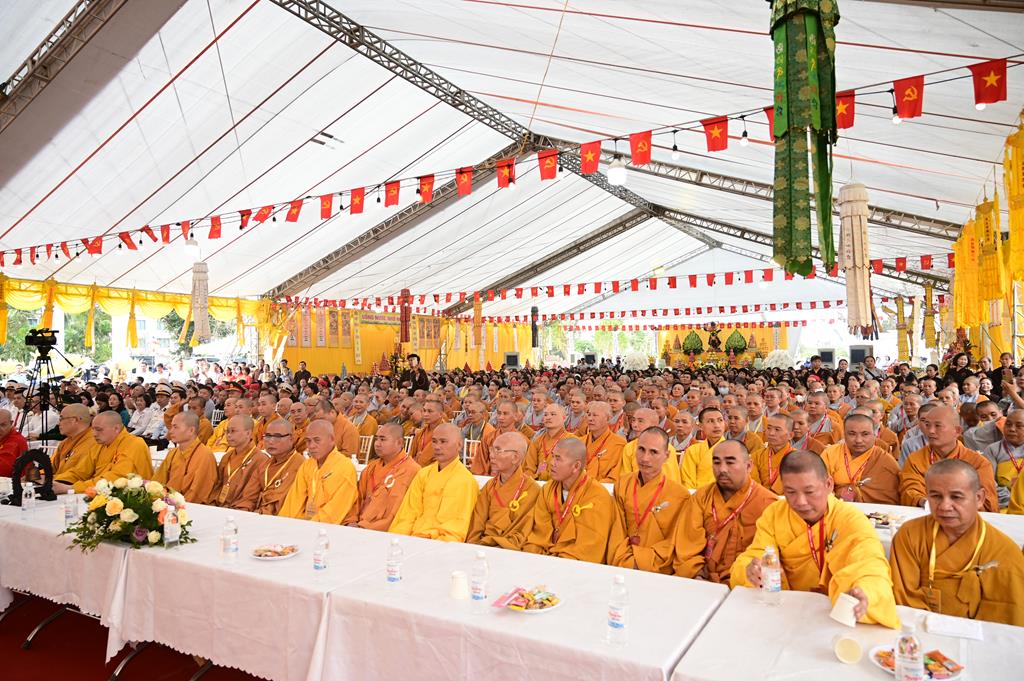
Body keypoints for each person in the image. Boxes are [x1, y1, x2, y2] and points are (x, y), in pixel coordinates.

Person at [731, 451, 900, 628]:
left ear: (828, 484)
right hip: (786, 611)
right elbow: (758, 553)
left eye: (809, 491)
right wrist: (751, 569)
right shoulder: (775, 514)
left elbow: (869, 563)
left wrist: (866, 592)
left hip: (834, 614)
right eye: (790, 492)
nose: (800, 501)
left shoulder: (850, 519)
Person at [890, 459, 1024, 626]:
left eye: (956, 497)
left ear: (979, 498)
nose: (945, 506)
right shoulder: (910, 535)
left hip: (979, 640)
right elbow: (904, 600)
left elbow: (1006, 616)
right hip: (922, 632)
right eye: (936, 496)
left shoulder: (1005, 552)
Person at [673, 439, 777, 584]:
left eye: (730, 462)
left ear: (748, 466)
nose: (722, 469)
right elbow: (686, 546)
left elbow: (764, 557)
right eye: (716, 462)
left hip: (743, 585)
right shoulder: (701, 497)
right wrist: (697, 575)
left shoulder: (767, 503)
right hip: (701, 581)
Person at [522, 437, 624, 562]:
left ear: (576, 466)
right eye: (553, 456)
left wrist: (557, 561)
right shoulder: (547, 490)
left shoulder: (597, 496)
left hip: (574, 563)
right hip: (545, 558)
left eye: (558, 459)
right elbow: (539, 534)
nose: (551, 463)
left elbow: (589, 547)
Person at [608, 428, 688, 574]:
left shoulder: (679, 495)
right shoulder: (622, 484)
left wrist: (641, 561)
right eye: (641, 449)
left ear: (667, 456)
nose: (645, 458)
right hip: (622, 561)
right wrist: (625, 559)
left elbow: (674, 542)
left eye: (653, 452)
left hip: (656, 567)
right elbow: (615, 530)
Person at [389, 423, 479, 541]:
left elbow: (455, 528)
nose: (437, 447)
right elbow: (407, 513)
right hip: (411, 538)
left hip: (439, 544)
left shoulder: (465, 481)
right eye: (434, 441)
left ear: (459, 445)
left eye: (443, 441)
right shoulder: (423, 474)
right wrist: (397, 539)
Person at [899, 406, 998, 512]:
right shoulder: (915, 459)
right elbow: (910, 489)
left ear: (957, 431)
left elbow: (987, 502)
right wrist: (924, 501)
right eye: (927, 425)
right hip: (926, 514)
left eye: (938, 426)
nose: (930, 431)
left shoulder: (978, 463)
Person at [467, 431, 541, 549]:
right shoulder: (489, 486)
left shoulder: (532, 490)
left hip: (511, 551)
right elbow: (477, 523)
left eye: (498, 450)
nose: (491, 455)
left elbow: (523, 532)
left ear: (515, 458)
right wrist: (473, 546)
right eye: (492, 449)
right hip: (482, 546)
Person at [52, 411, 153, 493]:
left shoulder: (134, 444)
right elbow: (80, 471)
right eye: (93, 429)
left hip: (128, 499)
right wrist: (54, 480)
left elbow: (117, 478)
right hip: (100, 492)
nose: (94, 434)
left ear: (116, 428)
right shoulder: (99, 445)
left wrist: (71, 488)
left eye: (99, 430)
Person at [279, 420, 358, 523]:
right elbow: (294, 501)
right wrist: (284, 523)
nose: (311, 446)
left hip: (331, 527)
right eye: (308, 441)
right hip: (304, 523)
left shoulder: (345, 467)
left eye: (317, 440)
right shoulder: (307, 465)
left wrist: (310, 525)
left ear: (332, 439)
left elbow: (336, 509)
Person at [351, 423, 420, 531]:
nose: (377, 444)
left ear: (400, 443)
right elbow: (356, 498)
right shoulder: (371, 467)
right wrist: (351, 520)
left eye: (383, 440)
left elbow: (396, 512)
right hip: (357, 525)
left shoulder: (412, 470)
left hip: (385, 531)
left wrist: (366, 527)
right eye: (376, 439)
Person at [819, 413, 900, 504]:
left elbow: (890, 498)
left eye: (865, 434)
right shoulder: (830, 453)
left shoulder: (885, 460)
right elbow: (819, 486)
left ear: (874, 435)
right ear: (844, 434)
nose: (858, 440)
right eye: (852, 434)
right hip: (833, 507)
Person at [238, 418, 304, 515]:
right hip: (255, 515)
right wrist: (243, 512)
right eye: (268, 436)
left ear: (291, 439)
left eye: (277, 436)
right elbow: (248, 496)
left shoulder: (299, 464)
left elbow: (280, 503)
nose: (271, 441)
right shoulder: (264, 464)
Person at [153, 411, 219, 503]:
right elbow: (158, 482)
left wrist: (176, 505)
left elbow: (198, 493)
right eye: (171, 427)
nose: (171, 431)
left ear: (191, 430)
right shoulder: (173, 453)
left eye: (175, 427)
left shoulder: (205, 455)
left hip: (190, 509)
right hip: (166, 504)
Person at [214, 415, 267, 509]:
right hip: (220, 506)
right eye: (227, 431)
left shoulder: (261, 459)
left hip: (242, 510)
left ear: (248, 433)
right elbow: (217, 486)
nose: (229, 435)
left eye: (233, 431)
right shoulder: (226, 457)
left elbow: (254, 496)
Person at [619, 407, 680, 483]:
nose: (634, 425)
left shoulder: (666, 448)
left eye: (640, 421)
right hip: (634, 490)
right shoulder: (629, 447)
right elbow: (625, 477)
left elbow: (670, 481)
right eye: (633, 420)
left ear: (654, 425)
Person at [980, 408, 1024, 509]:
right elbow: (989, 481)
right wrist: (1012, 500)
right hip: (1004, 503)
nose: (1012, 429)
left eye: (1019, 426)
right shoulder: (993, 449)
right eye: (1008, 424)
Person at [524, 403, 578, 481]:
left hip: (560, 483)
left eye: (553, 414)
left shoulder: (571, 441)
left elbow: (571, 470)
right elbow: (529, 468)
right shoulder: (537, 441)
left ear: (564, 418)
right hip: (536, 483)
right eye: (545, 415)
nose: (548, 417)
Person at [679, 407, 727, 489]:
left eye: (720, 420)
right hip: (695, 497)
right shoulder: (693, 450)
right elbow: (687, 481)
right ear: (701, 426)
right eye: (710, 421)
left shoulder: (733, 450)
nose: (717, 425)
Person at [50, 403, 100, 479]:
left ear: (75, 420)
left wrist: (51, 478)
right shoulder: (64, 443)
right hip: (57, 483)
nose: (58, 423)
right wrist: (40, 475)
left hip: (75, 488)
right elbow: (51, 467)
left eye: (61, 419)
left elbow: (80, 474)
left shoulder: (95, 442)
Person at [750, 413, 795, 495]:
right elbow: (752, 483)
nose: (771, 433)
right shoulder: (756, 456)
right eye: (769, 428)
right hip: (759, 499)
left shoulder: (798, 458)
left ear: (790, 435)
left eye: (777, 430)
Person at [410, 400, 444, 466]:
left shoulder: (446, 434)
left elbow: (446, 458)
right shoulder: (420, 433)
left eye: (430, 411)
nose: (425, 414)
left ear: (440, 414)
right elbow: (411, 455)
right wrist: (417, 459)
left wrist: (422, 457)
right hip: (417, 469)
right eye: (424, 411)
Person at [0, 410, 28, 477]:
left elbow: (4, 470)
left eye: (3, 425)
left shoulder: (16, 441)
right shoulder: (3, 436)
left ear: (11, 423)